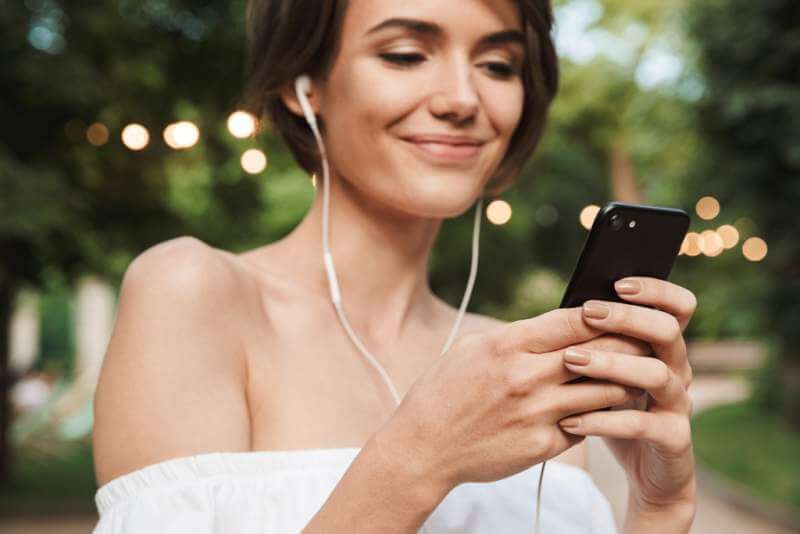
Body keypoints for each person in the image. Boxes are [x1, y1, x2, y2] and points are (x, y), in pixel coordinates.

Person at [91, 0, 698, 532]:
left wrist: (659, 511)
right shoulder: (194, 293)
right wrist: (417, 459)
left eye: (497, 66)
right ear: (303, 83)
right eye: (406, 55)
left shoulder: (518, 369)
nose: (463, 100)